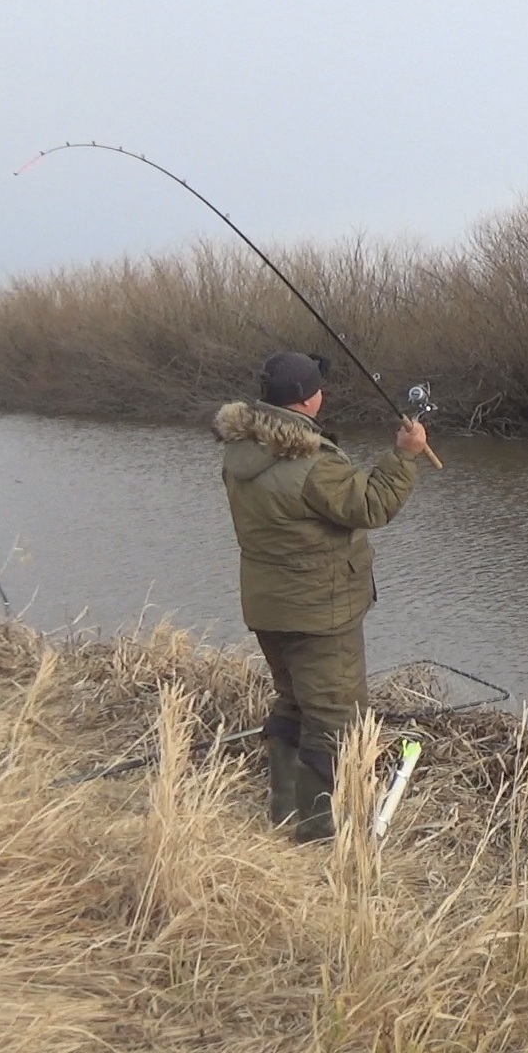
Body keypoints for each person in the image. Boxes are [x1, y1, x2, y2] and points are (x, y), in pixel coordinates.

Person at [212, 350, 428, 841]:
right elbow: (372, 504)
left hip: (270, 607)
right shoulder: (310, 463)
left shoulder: (240, 451)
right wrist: (405, 455)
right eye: (319, 388)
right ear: (310, 399)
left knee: (293, 702)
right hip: (320, 612)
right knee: (332, 716)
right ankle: (316, 832)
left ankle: (285, 810)